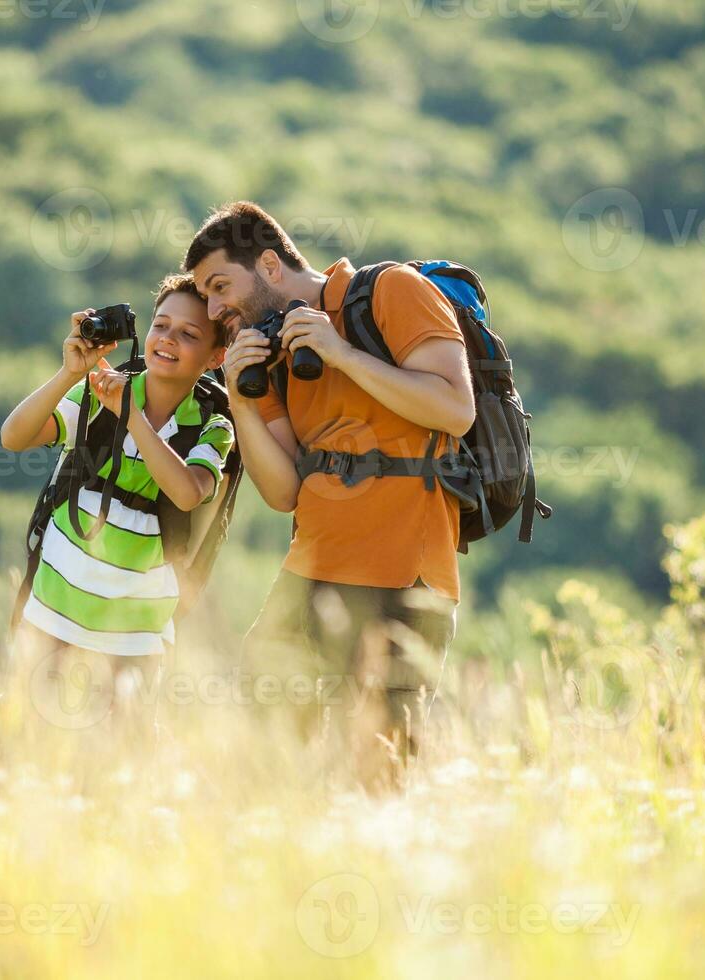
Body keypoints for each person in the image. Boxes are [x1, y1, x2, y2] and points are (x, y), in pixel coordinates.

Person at [183, 201, 474, 787]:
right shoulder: (263, 351)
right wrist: (240, 398)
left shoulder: (392, 291)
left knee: (377, 769)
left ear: (269, 265)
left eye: (220, 287)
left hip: (405, 576)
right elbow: (284, 491)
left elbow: (455, 409)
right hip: (311, 571)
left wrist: (341, 352)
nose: (214, 310)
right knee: (259, 751)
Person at [0, 272, 236, 724]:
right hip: (52, 611)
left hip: (135, 636)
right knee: (21, 748)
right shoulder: (98, 394)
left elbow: (188, 493)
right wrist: (71, 372)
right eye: (161, 325)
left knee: (115, 766)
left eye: (189, 335)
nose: (168, 339)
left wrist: (130, 416)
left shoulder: (214, 426)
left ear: (215, 357)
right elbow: (15, 436)